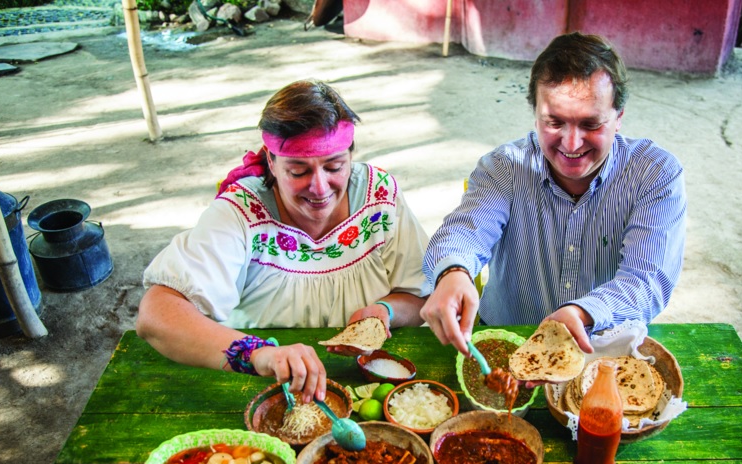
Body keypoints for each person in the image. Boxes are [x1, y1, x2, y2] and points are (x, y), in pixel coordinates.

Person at [137, 80, 429, 403]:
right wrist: (259, 354)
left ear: (351, 156)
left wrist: (385, 311)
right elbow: (155, 315)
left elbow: (420, 297)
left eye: (334, 167)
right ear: (272, 163)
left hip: (365, 384)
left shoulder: (380, 196)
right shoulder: (241, 213)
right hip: (259, 393)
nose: (319, 187)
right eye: (298, 171)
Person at [421, 32, 687, 364]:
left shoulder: (655, 173)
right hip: (507, 341)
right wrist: (452, 272)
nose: (571, 144)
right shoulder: (505, 167)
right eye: (554, 122)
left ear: (619, 117)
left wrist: (583, 312)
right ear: (535, 115)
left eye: (590, 124)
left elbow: (648, 279)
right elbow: (463, 232)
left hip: (603, 349)